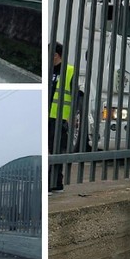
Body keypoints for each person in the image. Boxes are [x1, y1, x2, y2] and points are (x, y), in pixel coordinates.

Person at [49, 41, 74, 194]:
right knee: (51, 150)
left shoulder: (70, 71)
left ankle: (54, 184)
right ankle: (55, 183)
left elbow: (76, 97)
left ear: (56, 55)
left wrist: (70, 118)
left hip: (59, 118)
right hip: (47, 116)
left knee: (55, 151)